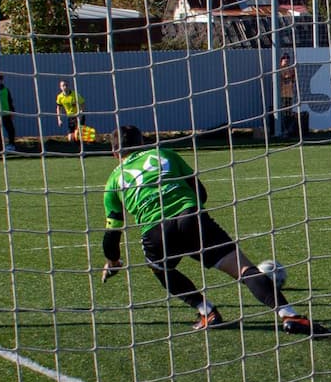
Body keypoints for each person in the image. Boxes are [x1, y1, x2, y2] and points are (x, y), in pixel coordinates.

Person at [100, 125, 316, 334]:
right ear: (144, 143)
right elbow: (200, 192)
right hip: (191, 217)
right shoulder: (164, 154)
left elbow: (112, 234)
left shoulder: (113, 181)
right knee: (243, 269)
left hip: (155, 232)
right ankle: (289, 315)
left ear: (114, 153)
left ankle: (207, 312)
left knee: (161, 270)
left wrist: (113, 261)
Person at [55, 80, 85, 149]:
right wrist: (59, 119)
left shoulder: (75, 95)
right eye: (63, 85)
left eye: (66, 85)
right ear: (60, 87)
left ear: (69, 86)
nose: (65, 87)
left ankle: (82, 150)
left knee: (77, 134)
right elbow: (59, 108)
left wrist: (81, 112)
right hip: (70, 117)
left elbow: (82, 103)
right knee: (70, 138)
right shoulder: (60, 97)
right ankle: (80, 148)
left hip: (78, 116)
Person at [276, 52, 300, 139]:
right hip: (281, 95)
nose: (286, 60)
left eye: (288, 58)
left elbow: (292, 80)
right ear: (281, 60)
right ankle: (283, 131)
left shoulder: (290, 69)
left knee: (289, 114)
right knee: (283, 113)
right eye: (284, 58)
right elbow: (283, 79)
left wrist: (293, 77)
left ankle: (288, 131)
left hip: (289, 94)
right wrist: (290, 76)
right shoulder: (279, 69)